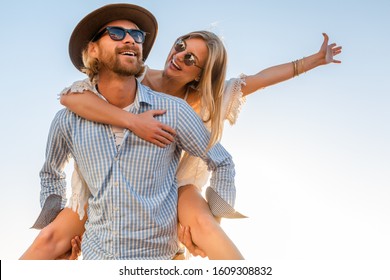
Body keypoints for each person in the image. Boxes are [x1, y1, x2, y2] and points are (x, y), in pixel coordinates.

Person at [21, 12, 343, 261]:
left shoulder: (200, 103)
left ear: (200, 74)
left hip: (175, 186)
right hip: (117, 181)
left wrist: (312, 61)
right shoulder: (137, 74)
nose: (178, 56)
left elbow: (260, 79)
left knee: (204, 225)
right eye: (180, 46)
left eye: (191, 59)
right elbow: (72, 100)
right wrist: (132, 123)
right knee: (50, 239)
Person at [20, 3, 239, 260]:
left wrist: (215, 220)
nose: (130, 40)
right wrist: (55, 222)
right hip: (96, 255)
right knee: (46, 241)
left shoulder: (175, 110)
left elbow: (222, 161)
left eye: (137, 36)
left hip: (157, 253)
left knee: (207, 227)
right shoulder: (70, 117)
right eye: (116, 33)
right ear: (93, 50)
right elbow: (50, 171)